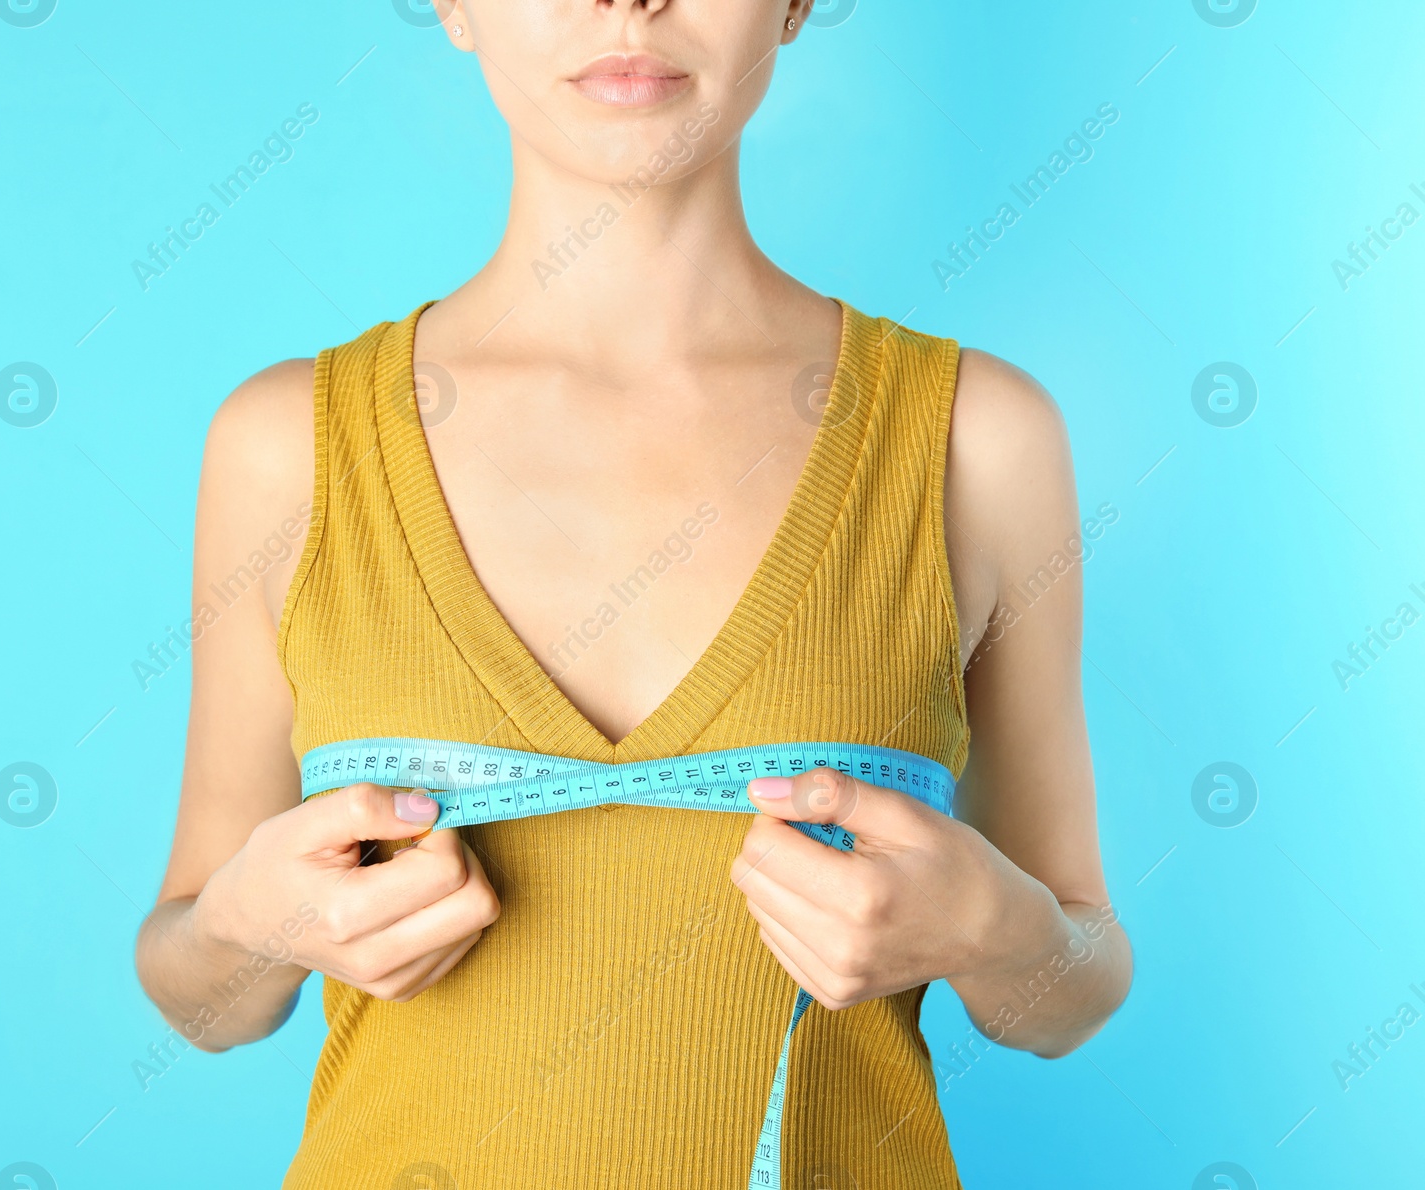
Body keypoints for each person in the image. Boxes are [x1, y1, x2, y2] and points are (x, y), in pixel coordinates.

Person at [135, 2, 1133, 1186]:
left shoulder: (977, 436)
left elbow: (1067, 995)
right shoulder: (289, 444)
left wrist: (984, 921)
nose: (629, 2)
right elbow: (207, 1002)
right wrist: (249, 924)